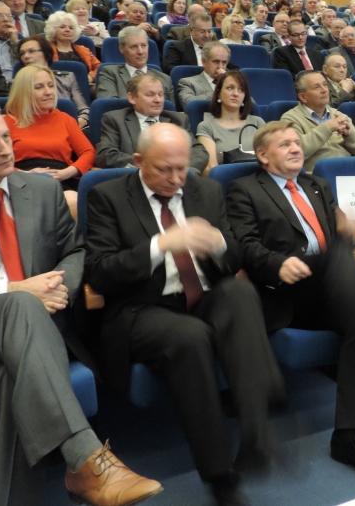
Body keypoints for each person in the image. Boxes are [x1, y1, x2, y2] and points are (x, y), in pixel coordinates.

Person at [0, 101, 162, 506]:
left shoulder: (42, 190)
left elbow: (76, 251)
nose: (6, 149)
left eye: (6, 136)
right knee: (18, 304)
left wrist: (55, 285)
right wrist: (14, 288)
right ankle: (86, 458)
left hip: (29, 343)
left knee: (5, 378)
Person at [86, 122, 282, 505]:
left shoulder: (205, 190)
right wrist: (161, 244)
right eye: (165, 170)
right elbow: (100, 273)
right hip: (144, 306)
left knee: (240, 292)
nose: (177, 179)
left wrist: (219, 242)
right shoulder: (107, 196)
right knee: (190, 337)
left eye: (182, 168)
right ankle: (219, 474)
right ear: (139, 161)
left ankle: (256, 433)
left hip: (203, 295)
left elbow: (235, 258)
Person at [226, 121, 355, 484]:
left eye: (297, 142)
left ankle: (349, 435)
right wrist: (277, 263)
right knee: (344, 267)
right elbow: (244, 245)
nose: (296, 148)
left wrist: (348, 232)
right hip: (286, 291)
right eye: (285, 144)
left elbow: (337, 240)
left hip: (329, 289)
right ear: (263, 156)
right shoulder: (245, 189)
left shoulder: (317, 185)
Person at [4, 64, 94, 198]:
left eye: (51, 86)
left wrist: (67, 172)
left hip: (60, 182)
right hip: (19, 181)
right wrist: (25, 174)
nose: (48, 92)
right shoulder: (6, 123)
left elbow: (88, 152)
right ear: (23, 92)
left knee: (72, 200)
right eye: (39, 87)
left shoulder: (65, 119)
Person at [94, 72, 207, 174]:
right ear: (132, 97)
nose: (158, 100)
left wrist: (177, 169)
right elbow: (106, 155)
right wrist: (151, 166)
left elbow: (199, 152)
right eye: (150, 94)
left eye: (160, 94)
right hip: (136, 179)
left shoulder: (178, 120)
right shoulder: (115, 119)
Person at [280, 71, 355, 172]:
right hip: (316, 177)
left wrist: (350, 134)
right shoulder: (290, 118)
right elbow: (293, 152)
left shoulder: (339, 115)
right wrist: (326, 128)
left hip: (349, 173)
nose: (324, 90)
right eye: (317, 87)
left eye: (325, 85)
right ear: (303, 97)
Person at [196, 71, 265, 172]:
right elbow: (212, 169)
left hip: (260, 178)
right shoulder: (206, 127)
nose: (236, 94)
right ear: (219, 94)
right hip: (226, 180)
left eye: (241, 90)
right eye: (230, 88)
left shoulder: (257, 122)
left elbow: (272, 158)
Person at [16, 35, 89, 128]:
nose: (26, 56)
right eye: (22, 53)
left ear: (46, 54)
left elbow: (84, 110)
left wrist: (77, 123)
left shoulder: (67, 77)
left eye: (32, 51)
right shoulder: (16, 84)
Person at [97, 26, 174, 103]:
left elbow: (170, 109)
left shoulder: (165, 79)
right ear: (121, 49)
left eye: (144, 45)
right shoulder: (110, 74)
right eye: (134, 47)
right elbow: (109, 106)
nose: (140, 51)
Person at [45, 11, 100, 84]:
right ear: (53, 30)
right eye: (62, 27)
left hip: (85, 85)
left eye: (71, 28)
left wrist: (91, 77)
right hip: (56, 85)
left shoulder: (84, 50)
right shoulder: (46, 50)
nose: (68, 30)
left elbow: (99, 67)